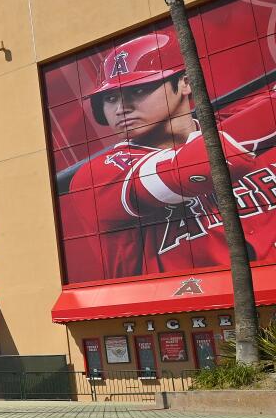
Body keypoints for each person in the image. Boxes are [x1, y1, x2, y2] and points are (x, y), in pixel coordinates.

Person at [65, 32, 276, 278]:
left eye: (139, 90)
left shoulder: (230, 125)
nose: (121, 107)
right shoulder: (96, 176)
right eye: (111, 97)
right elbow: (202, 166)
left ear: (185, 83)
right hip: (189, 310)